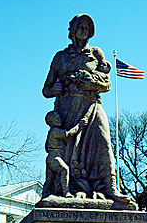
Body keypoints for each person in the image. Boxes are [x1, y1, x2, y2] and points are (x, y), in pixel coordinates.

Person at [42, 14, 130, 203]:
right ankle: (71, 188)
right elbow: (46, 88)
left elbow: (107, 84)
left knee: (104, 141)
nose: (84, 30)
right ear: (72, 29)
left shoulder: (96, 53)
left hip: (91, 105)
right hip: (67, 110)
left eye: (87, 27)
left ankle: (110, 187)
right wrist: (54, 89)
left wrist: (88, 80)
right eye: (80, 26)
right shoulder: (60, 57)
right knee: (69, 151)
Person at [41, 110, 87, 198]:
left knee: (49, 180)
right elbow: (67, 134)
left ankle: (45, 194)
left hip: (50, 157)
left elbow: (46, 147)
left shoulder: (51, 132)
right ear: (51, 122)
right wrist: (79, 125)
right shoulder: (54, 131)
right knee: (65, 170)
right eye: (56, 118)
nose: (59, 119)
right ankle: (66, 192)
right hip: (55, 157)